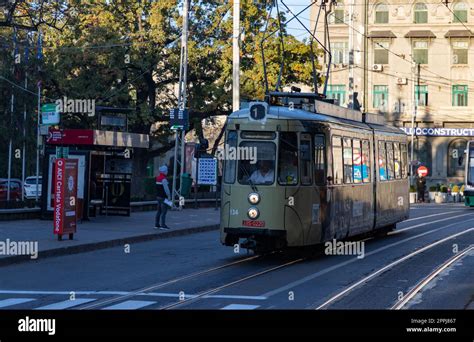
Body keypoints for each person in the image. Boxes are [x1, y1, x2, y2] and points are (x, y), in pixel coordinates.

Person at [154, 165, 171, 230]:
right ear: (164, 171)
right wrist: (169, 196)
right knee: (164, 212)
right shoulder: (164, 179)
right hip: (164, 197)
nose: (167, 172)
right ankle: (163, 225)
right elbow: (166, 189)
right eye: (166, 170)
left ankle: (156, 224)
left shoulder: (157, 178)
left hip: (158, 196)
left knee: (158, 211)